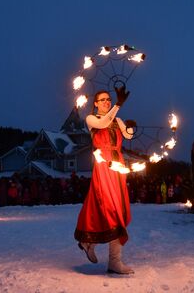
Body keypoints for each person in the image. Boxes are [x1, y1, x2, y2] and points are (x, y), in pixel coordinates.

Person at [74, 85, 135, 274]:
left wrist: (131, 127)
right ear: (95, 103)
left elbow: (127, 135)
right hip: (104, 164)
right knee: (110, 206)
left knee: (118, 207)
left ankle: (96, 247)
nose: (107, 102)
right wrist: (117, 105)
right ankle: (113, 260)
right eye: (103, 100)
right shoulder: (92, 119)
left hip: (118, 164)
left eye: (109, 99)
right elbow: (103, 124)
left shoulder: (117, 119)